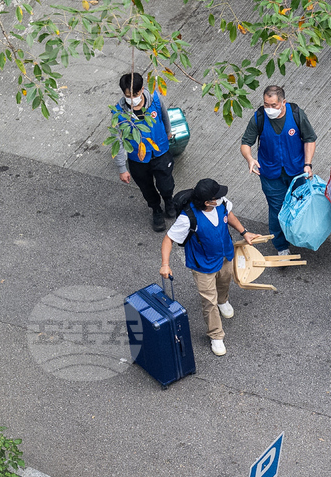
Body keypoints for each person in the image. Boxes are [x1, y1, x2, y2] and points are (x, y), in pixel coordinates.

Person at [159, 178, 259, 357]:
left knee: (225, 281)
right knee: (208, 301)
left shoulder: (222, 204)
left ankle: (223, 300)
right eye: (217, 196)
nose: (222, 197)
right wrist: (165, 265)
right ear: (207, 202)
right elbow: (168, 239)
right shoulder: (187, 218)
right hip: (202, 264)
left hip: (225, 256)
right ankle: (216, 335)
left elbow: (230, 216)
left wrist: (244, 232)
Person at [239, 85, 317, 255]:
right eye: (266, 104)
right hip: (270, 173)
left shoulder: (296, 114)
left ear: (283, 102)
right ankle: (281, 246)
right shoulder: (259, 118)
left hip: (296, 172)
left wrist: (308, 164)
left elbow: (309, 139)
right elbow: (245, 143)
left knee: (301, 205)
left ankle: (300, 234)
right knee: (277, 210)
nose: (269, 109)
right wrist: (250, 159)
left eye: (273, 105)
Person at [113, 72, 176, 232]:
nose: (132, 98)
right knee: (147, 188)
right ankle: (156, 210)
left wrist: (168, 132)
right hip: (138, 158)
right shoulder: (119, 113)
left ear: (141, 89)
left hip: (160, 151)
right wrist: (122, 168)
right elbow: (117, 140)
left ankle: (169, 201)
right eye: (128, 95)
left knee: (166, 184)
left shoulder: (155, 98)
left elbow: (164, 115)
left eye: (135, 94)